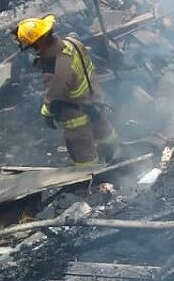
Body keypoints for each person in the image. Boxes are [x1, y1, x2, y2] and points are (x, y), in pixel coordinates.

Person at [13, 15, 118, 168]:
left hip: (76, 113)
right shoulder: (72, 42)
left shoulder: (56, 71)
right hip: (95, 98)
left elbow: (53, 97)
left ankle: (91, 175)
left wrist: (46, 113)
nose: (32, 51)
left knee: (81, 149)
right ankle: (115, 153)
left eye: (32, 46)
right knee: (104, 130)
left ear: (39, 44)